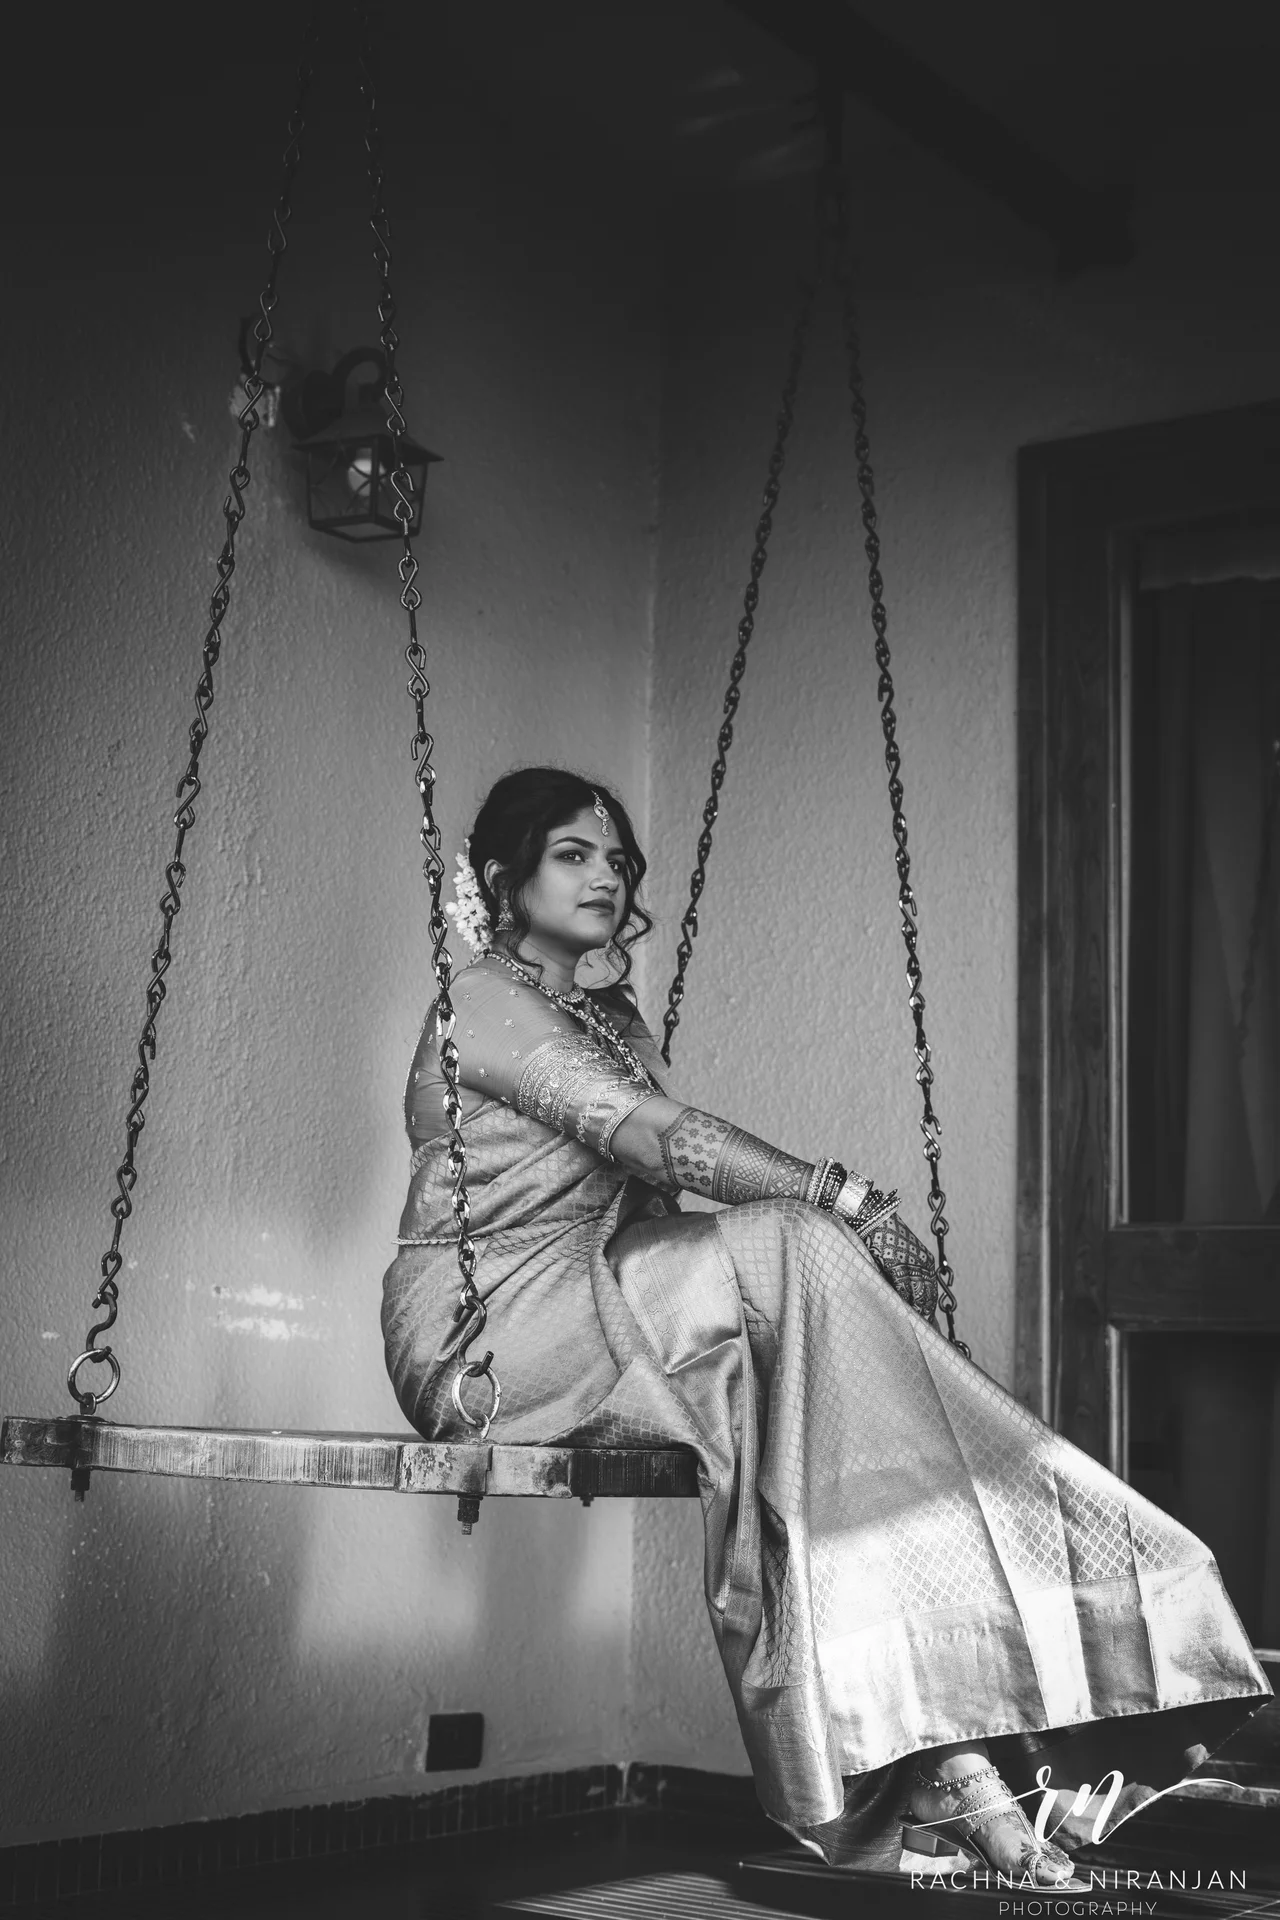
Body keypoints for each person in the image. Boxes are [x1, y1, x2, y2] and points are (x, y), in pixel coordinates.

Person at [382, 767, 1270, 1884]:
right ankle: (1053, 1588)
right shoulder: (479, 998)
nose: (606, 874)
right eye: (573, 854)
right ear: (503, 879)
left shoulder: (612, 1020)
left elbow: (660, 1210)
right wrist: (844, 1203)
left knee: (818, 1439)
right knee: (801, 1246)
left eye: (615, 859)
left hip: (606, 1302)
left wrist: (827, 1237)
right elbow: (655, 1147)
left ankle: (950, 1768)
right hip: (487, 1329)